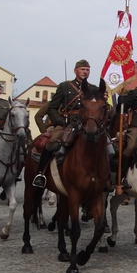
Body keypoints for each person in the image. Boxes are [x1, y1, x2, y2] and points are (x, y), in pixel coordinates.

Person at [32, 60, 99, 188]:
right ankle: (41, 174)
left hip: (87, 124)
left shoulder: (94, 89)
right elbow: (52, 107)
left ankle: (107, 178)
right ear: (75, 71)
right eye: (82, 69)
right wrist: (57, 119)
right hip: (68, 123)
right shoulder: (65, 87)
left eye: (87, 69)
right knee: (52, 143)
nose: (85, 72)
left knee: (106, 144)